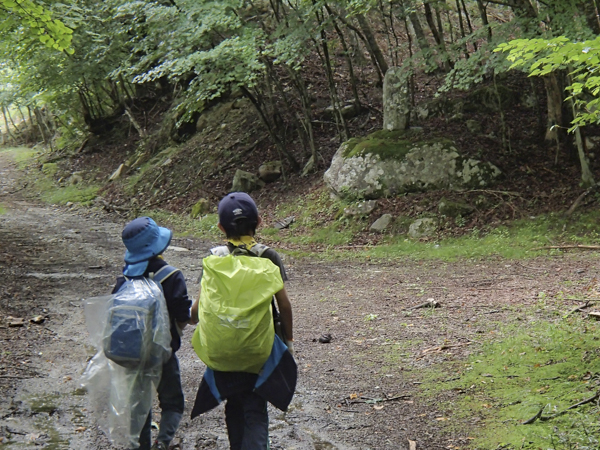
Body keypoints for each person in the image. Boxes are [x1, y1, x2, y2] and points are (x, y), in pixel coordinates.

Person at [189, 192, 295, 450]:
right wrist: (289, 342)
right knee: (255, 407)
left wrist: (190, 318)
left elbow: (197, 308)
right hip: (257, 348)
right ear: (258, 221)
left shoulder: (214, 258)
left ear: (220, 227)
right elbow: (284, 305)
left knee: (233, 404)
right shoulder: (268, 256)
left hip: (222, 347)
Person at [112, 217, 192, 450]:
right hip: (163, 355)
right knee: (173, 404)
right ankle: (162, 442)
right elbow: (182, 314)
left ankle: (142, 445)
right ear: (160, 246)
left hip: (132, 356)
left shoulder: (124, 280)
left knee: (139, 407)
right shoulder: (171, 275)